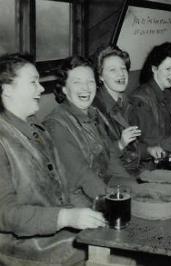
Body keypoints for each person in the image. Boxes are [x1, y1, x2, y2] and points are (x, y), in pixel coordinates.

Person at [0, 54, 105, 265]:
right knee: (116, 255)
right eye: (33, 82)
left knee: (113, 241)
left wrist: (91, 212)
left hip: (52, 233)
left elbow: (64, 189)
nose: (41, 89)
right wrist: (65, 218)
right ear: (7, 89)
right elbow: (5, 213)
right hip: (20, 245)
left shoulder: (37, 129)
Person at [44, 56, 137, 207]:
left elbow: (110, 157)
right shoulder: (56, 125)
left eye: (90, 81)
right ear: (64, 89)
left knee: (138, 191)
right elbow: (81, 175)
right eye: (77, 82)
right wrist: (113, 201)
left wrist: (130, 183)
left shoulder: (94, 113)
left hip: (99, 186)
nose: (86, 88)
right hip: (76, 200)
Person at [92, 45, 165, 170]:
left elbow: (132, 148)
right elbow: (97, 161)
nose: (121, 74)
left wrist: (149, 150)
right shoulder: (95, 109)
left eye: (123, 68)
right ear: (100, 76)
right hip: (114, 178)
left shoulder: (126, 102)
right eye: (112, 70)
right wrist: (120, 144)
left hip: (134, 170)